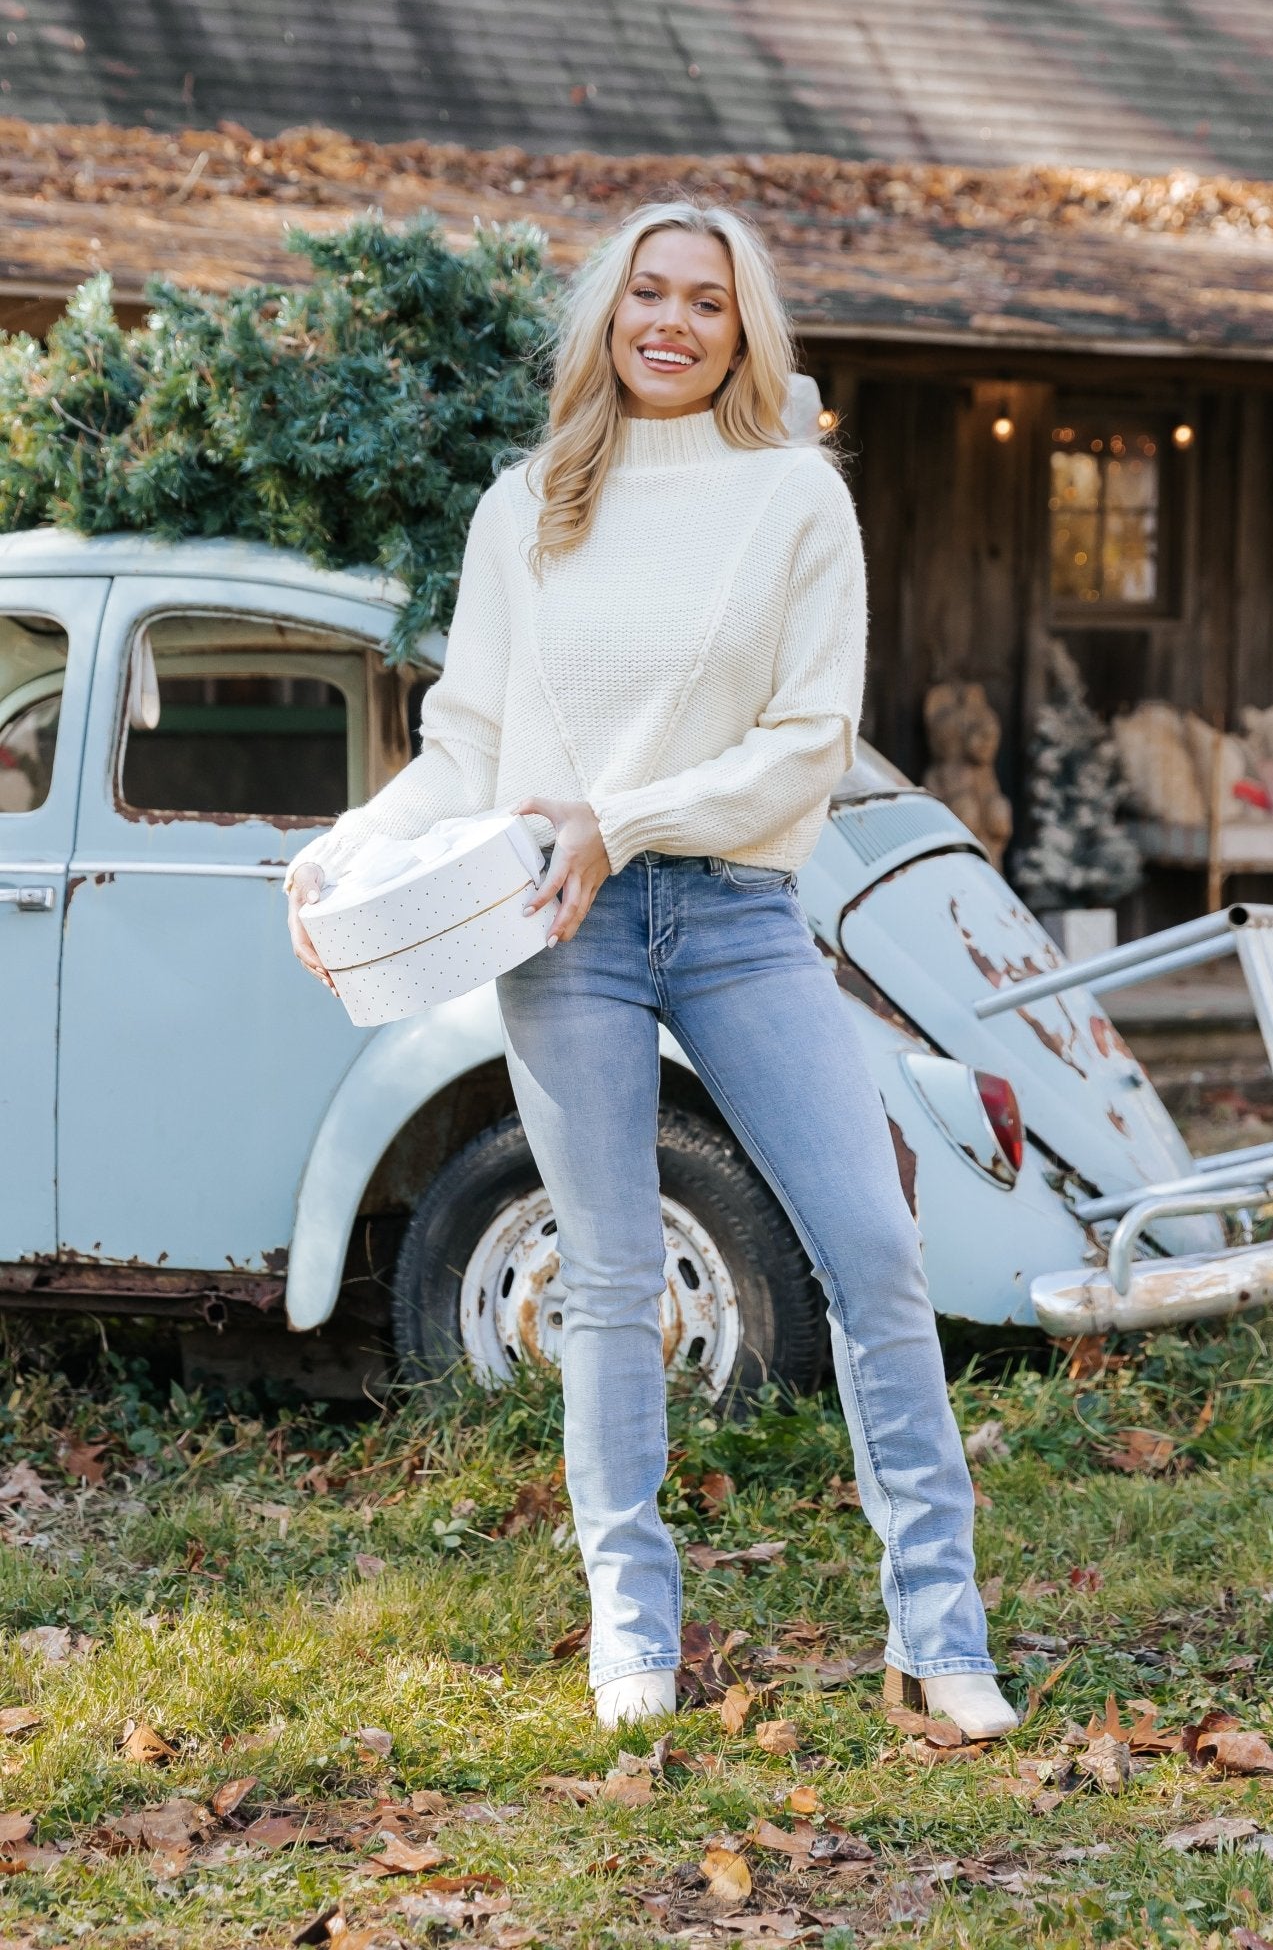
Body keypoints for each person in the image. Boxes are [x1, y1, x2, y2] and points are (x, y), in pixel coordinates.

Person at [283, 200, 1017, 1741]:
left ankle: (936, 1637)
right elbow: (471, 747)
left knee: (875, 1253)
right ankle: (633, 1627)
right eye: (645, 296)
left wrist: (622, 817)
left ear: (745, 329)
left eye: (705, 300)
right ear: (607, 318)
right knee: (610, 1279)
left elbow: (804, 745)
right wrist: (345, 843)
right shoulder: (528, 502)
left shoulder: (795, 502)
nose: (670, 322)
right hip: (560, 925)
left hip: (740, 919)